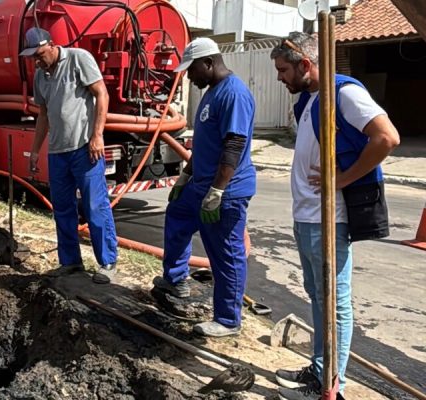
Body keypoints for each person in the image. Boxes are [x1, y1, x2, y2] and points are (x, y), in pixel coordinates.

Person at [270, 32, 399, 399]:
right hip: (306, 216)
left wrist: (342, 179)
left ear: (304, 65)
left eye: (283, 70)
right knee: (318, 297)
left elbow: (387, 138)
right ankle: (320, 370)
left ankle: (330, 386)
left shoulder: (343, 92)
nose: (279, 78)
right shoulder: (309, 99)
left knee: (334, 302)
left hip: (330, 217)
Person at [155, 37, 256, 338]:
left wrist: (217, 191)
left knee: (225, 251)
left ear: (209, 63)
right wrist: (185, 176)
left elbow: (234, 145)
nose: (189, 76)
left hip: (226, 189)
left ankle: (227, 320)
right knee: (177, 215)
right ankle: (175, 279)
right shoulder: (212, 92)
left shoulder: (234, 94)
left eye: (192, 69)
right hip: (200, 184)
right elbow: (204, 146)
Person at [19, 27, 118, 284]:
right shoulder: (40, 76)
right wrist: (35, 149)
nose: (37, 61)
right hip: (57, 152)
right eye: (33, 57)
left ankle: (107, 261)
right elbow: (43, 115)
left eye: (40, 55)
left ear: (52, 45)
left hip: (84, 148)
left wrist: (97, 135)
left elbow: (101, 93)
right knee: (62, 209)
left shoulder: (78, 58)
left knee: (95, 205)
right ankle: (71, 261)